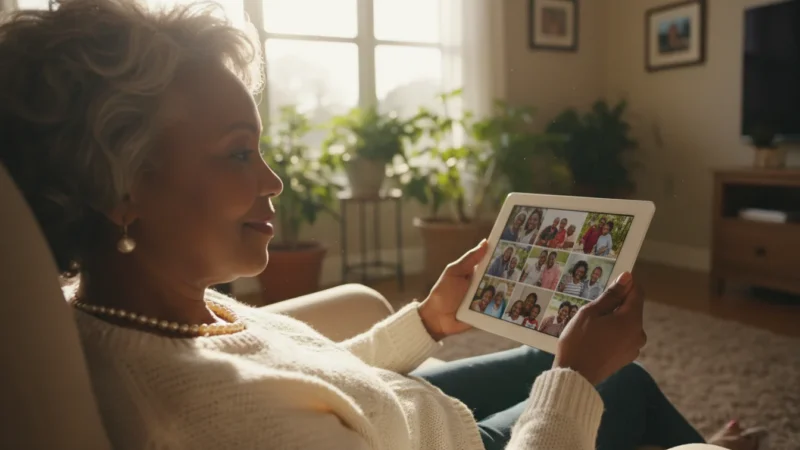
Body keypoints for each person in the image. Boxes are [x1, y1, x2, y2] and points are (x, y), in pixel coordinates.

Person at [0, 2, 760, 450]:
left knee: (575, 365)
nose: (273, 181)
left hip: (409, 417)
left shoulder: (140, 306)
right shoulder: (213, 415)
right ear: (118, 187)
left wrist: (426, 320)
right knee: (618, 377)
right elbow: (280, 407)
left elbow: (317, 382)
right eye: (238, 154)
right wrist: (576, 381)